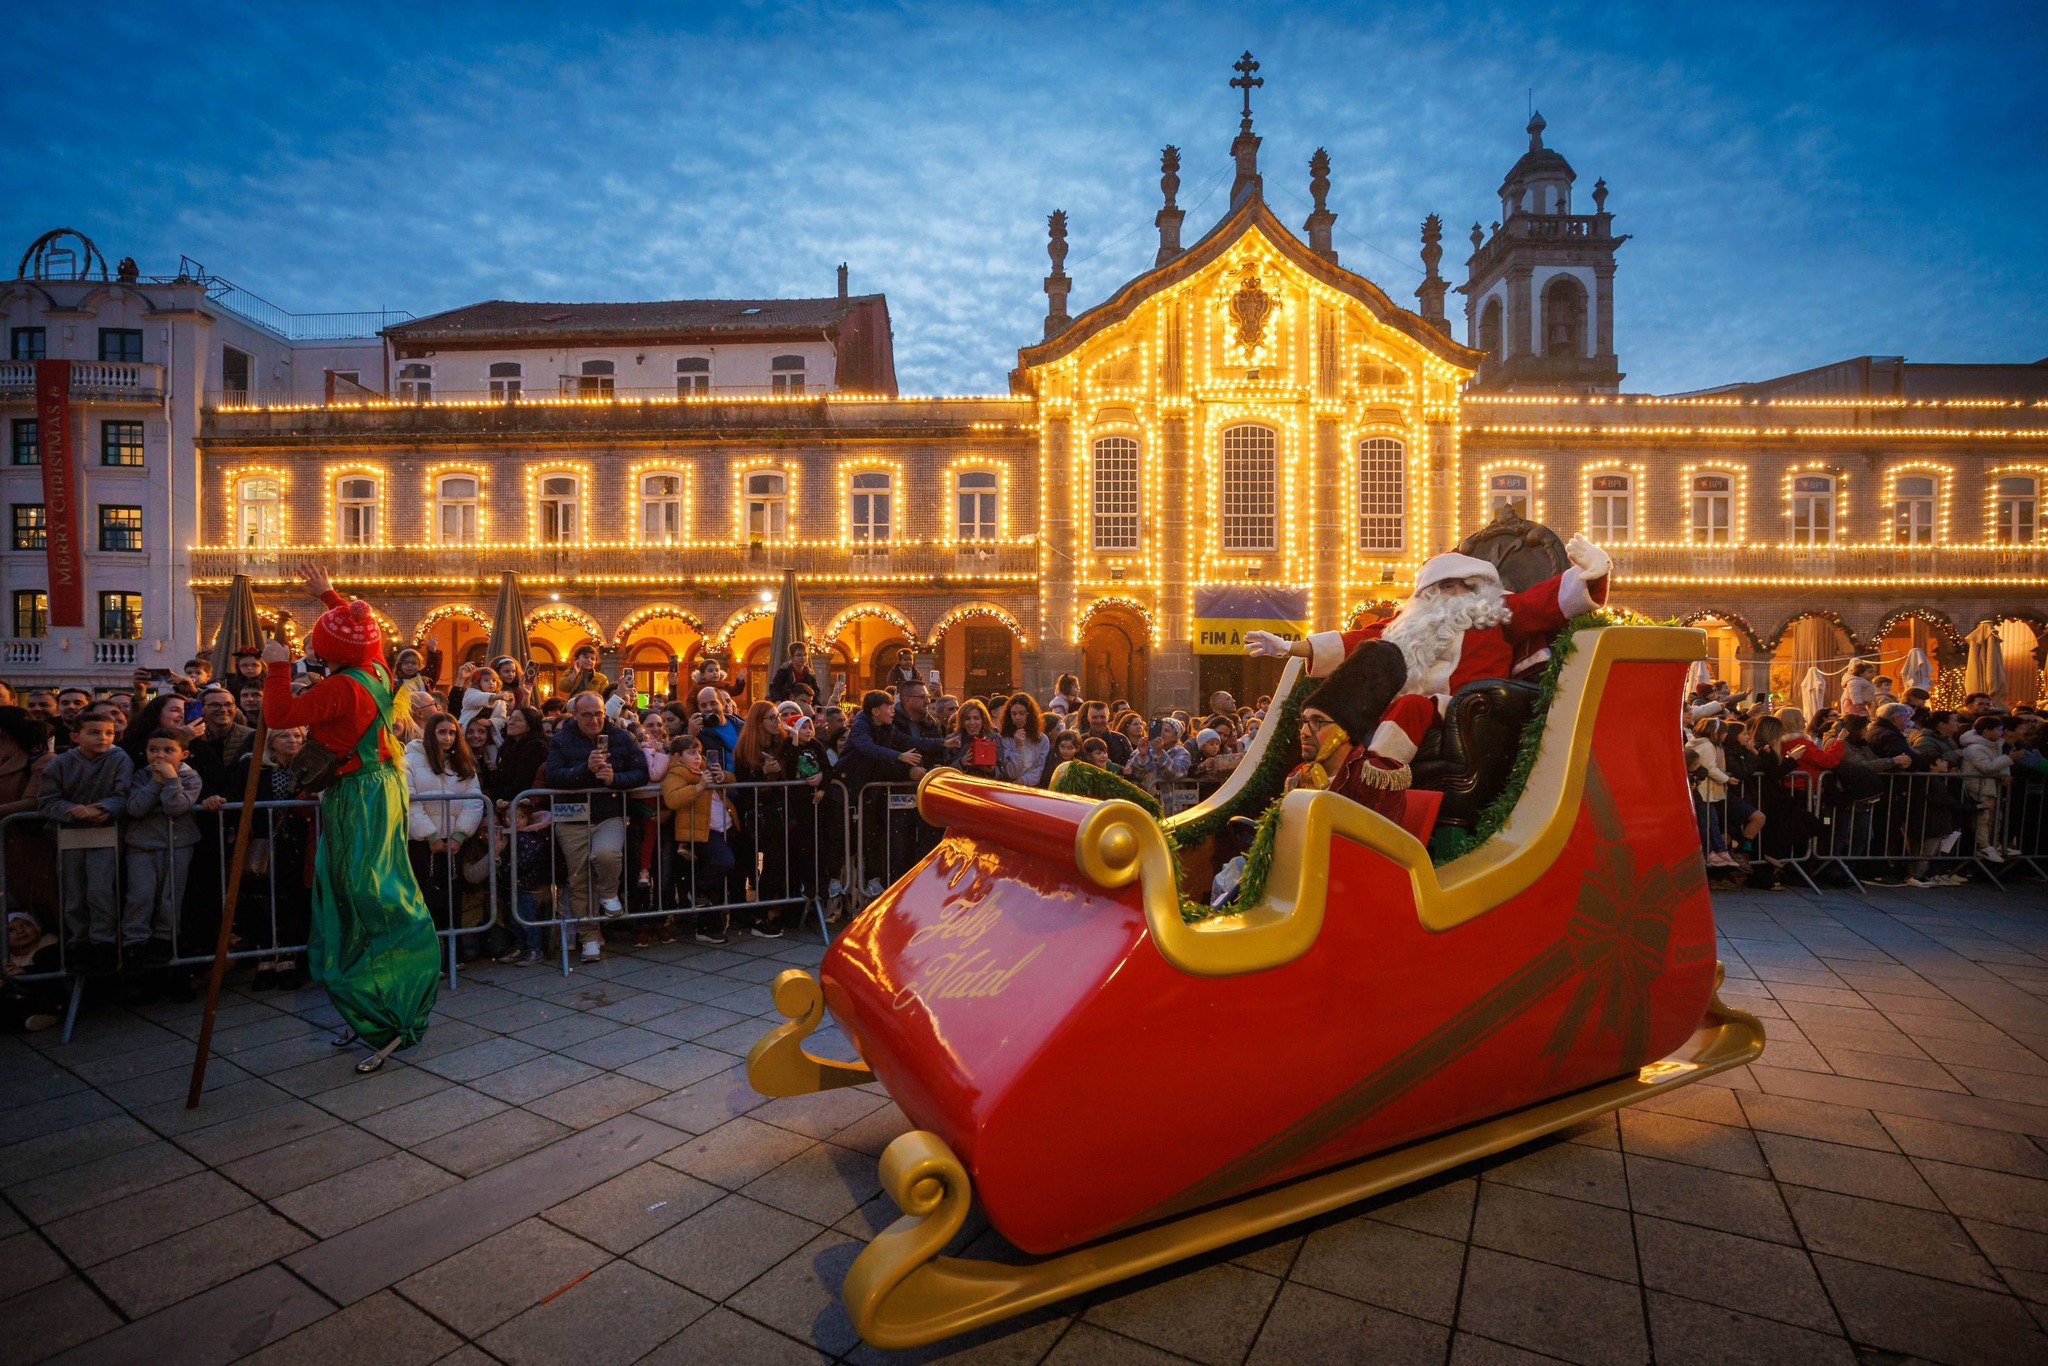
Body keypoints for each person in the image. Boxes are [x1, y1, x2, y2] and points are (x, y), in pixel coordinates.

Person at [1248, 535, 1611, 798]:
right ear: (1428, 593)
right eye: (1444, 586)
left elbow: (1543, 602)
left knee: (1411, 707)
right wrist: (1289, 647)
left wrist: (1593, 572)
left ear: (1480, 588)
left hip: (1463, 706)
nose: (1454, 593)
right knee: (1363, 707)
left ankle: (1371, 784)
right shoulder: (1409, 623)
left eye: (1464, 585)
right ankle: (1324, 779)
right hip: (1408, 706)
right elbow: (1359, 641)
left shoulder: (1497, 612)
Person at [262, 562, 441, 1072]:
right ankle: (368, 1005)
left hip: (358, 794)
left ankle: (390, 1007)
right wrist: (329, 596)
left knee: (362, 897)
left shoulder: (341, 687)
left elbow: (280, 716)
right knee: (360, 893)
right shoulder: (377, 668)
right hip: (380, 786)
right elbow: (361, 633)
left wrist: (277, 667)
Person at [541, 690, 647, 963]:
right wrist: (584, 770)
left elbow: (641, 773)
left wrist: (616, 779)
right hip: (572, 817)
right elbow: (553, 776)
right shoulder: (560, 740)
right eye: (587, 715)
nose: (594, 720)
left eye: (598, 713)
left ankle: (609, 894)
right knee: (579, 881)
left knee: (607, 854)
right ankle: (589, 937)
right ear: (575, 715)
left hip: (609, 814)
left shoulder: (623, 737)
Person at [37, 712, 131, 973]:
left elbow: (122, 794)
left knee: (100, 889)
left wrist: (102, 808)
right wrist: (74, 811)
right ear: (75, 736)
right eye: (94, 732)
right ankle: (79, 941)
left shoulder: (119, 759)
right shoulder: (59, 764)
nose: (103, 738)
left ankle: (103, 942)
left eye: (109, 733)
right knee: (74, 892)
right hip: (69, 834)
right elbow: (46, 800)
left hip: (105, 833)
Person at [226, 726, 315, 990]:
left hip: (296, 844)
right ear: (271, 742)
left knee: (292, 903)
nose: (293, 740)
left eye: (297, 736)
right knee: (263, 903)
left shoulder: (307, 769)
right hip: (264, 843)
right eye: (285, 736)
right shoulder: (253, 767)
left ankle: (288, 959)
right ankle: (265, 958)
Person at [404, 711, 485, 958]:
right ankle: (428, 956)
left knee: (452, 897)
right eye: (442, 732)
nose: (448, 738)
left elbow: (474, 800)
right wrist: (430, 835)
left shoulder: (463, 762)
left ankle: (453, 954)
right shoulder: (411, 760)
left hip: (453, 843)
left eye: (452, 733)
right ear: (431, 733)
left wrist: (460, 835)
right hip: (422, 844)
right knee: (424, 897)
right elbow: (409, 800)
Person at [121, 728, 202, 966]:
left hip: (178, 844)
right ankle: (134, 941)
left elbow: (176, 807)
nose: (160, 756)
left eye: (168, 750)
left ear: (183, 754)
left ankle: (165, 938)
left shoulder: (191, 778)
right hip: (142, 845)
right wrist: (156, 783)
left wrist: (172, 780)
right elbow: (135, 808)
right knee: (140, 894)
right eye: (153, 750)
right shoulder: (141, 776)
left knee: (171, 895)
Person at [660, 734, 740, 943]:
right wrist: (698, 787)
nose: (697, 757)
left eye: (699, 752)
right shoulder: (676, 773)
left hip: (725, 827)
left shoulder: (705, 769)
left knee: (719, 879)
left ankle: (709, 926)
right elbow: (672, 799)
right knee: (723, 862)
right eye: (691, 753)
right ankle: (696, 891)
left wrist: (721, 776)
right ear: (677, 756)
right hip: (702, 832)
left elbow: (732, 781)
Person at [997, 692, 1049, 785]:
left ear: (1029, 714)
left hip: (1032, 788)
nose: (1018, 717)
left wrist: (1023, 780)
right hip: (1010, 786)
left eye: (1022, 713)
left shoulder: (1042, 739)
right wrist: (1018, 746)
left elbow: (1039, 769)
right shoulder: (1003, 739)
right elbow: (1011, 773)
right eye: (1014, 714)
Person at [950, 699, 1002, 779]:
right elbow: (945, 769)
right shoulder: (952, 739)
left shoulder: (993, 738)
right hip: (960, 783)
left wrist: (991, 771)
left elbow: (1002, 770)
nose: (972, 722)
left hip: (984, 784)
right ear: (962, 721)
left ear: (983, 720)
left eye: (976, 718)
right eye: (967, 719)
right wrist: (961, 763)